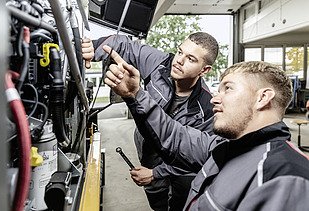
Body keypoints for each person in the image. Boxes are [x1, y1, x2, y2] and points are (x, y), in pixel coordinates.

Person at [103, 56, 309, 210]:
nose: (214, 99)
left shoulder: (286, 175)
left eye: (228, 89)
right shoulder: (224, 148)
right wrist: (135, 94)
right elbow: (173, 136)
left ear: (263, 98)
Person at [82, 32, 219, 210]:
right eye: (179, 52)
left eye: (191, 59)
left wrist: (156, 173)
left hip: (174, 168)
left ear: (204, 70)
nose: (179, 60)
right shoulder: (161, 64)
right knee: (155, 197)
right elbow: (126, 45)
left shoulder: (206, 108)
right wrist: (95, 46)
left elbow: (195, 158)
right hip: (147, 151)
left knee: (178, 201)